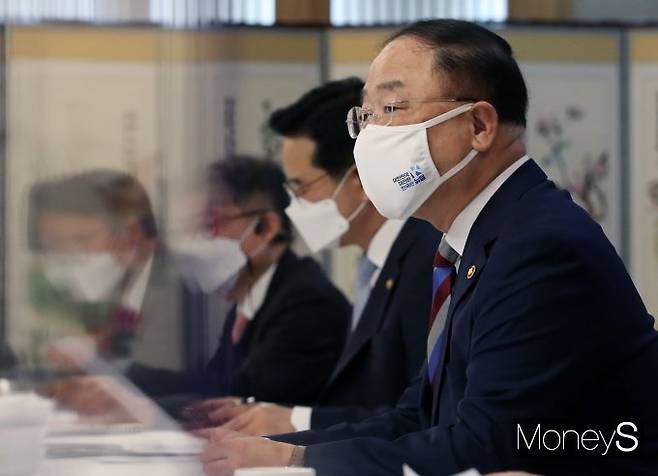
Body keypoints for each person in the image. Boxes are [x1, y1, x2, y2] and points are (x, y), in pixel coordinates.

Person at [199, 19, 658, 476]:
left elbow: (487, 445)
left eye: (392, 107)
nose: (371, 135)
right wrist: (285, 450)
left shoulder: (539, 247)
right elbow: (416, 417)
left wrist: (297, 459)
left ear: (479, 125)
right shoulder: (469, 243)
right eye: (366, 115)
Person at [199, 78, 440, 436]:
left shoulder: (426, 260)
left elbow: (420, 413)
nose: (293, 205)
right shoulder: (374, 265)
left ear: (358, 181)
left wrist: (297, 420)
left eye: (301, 188)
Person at [29, 170, 190, 375]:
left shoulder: (179, 295)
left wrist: (94, 362)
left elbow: (169, 382)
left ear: (130, 233)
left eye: (81, 241)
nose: (67, 257)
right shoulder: (124, 285)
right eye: (54, 246)